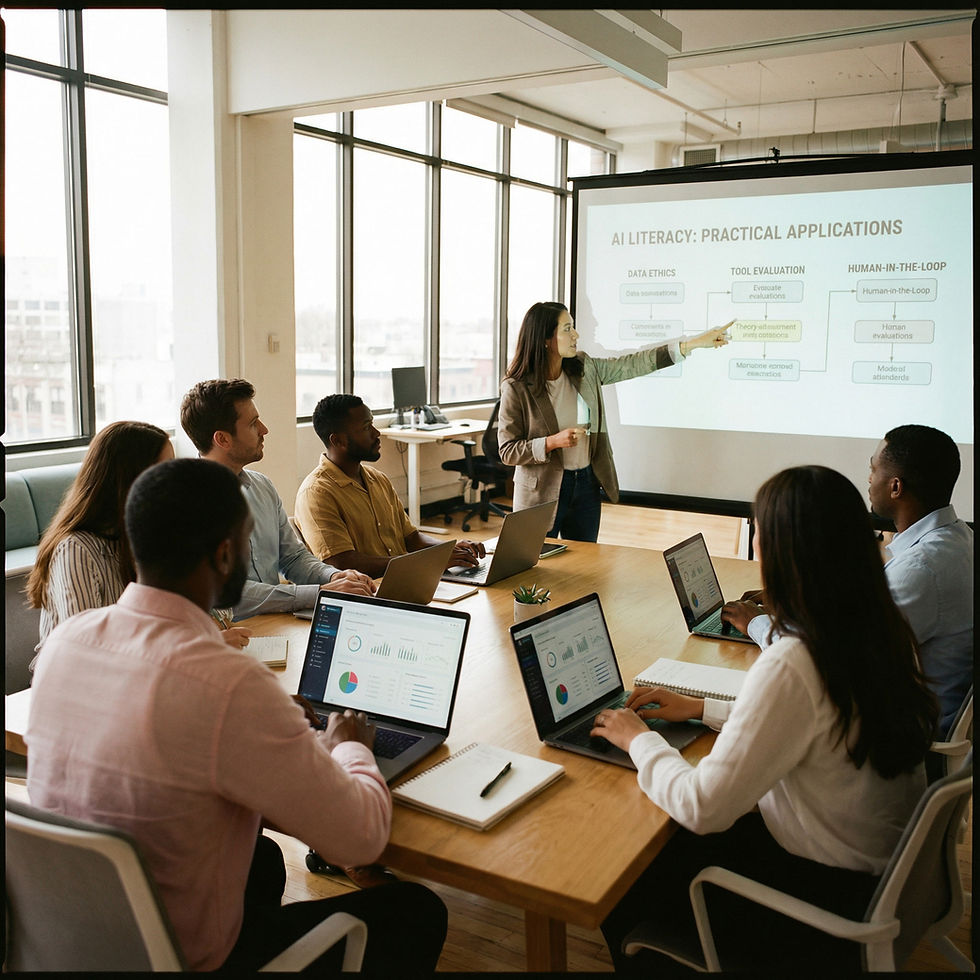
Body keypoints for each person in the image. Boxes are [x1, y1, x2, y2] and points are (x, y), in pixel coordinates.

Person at [25, 457, 448, 972]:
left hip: (76, 936)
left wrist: (270, 725)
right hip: (182, 955)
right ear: (226, 554)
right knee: (417, 910)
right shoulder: (228, 682)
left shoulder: (66, 642)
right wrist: (348, 744)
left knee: (263, 861)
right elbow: (359, 838)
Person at [592, 465, 937, 973]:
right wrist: (703, 709)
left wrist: (639, 739)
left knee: (622, 871)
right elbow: (816, 723)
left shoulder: (796, 659)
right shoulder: (880, 628)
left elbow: (702, 806)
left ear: (784, 554)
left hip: (826, 906)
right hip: (878, 878)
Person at [721, 424, 972, 737]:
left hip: (906, 744)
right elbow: (860, 617)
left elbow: (828, 663)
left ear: (896, 487)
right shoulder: (958, 540)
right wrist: (797, 599)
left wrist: (756, 624)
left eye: (873, 468)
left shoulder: (922, 569)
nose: (869, 477)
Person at [497, 301, 731, 542]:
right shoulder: (516, 387)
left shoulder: (584, 367)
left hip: (585, 483)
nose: (576, 335)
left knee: (584, 565)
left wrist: (692, 344)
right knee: (536, 564)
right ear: (546, 339)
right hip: (541, 491)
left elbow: (633, 364)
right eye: (567, 329)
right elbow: (507, 451)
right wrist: (551, 442)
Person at [180, 379, 375, 618]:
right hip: (229, 633)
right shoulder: (187, 505)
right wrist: (321, 592)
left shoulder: (262, 487)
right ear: (222, 439)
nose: (264, 429)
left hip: (277, 622)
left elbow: (293, 558)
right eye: (253, 424)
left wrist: (334, 576)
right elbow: (226, 593)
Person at [294, 393, 485, 577]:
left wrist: (450, 548)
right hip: (370, 593)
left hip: (408, 578)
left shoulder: (378, 479)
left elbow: (411, 538)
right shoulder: (317, 493)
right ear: (338, 440)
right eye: (367, 427)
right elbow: (342, 564)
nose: (377, 433)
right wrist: (428, 561)